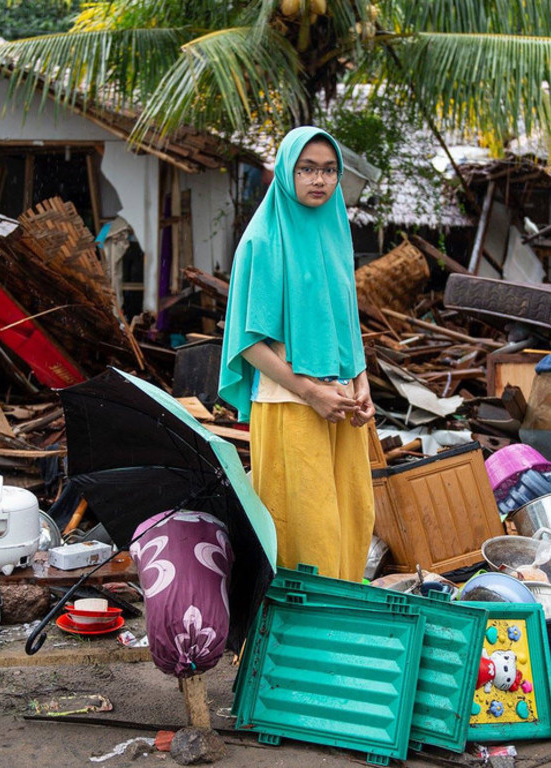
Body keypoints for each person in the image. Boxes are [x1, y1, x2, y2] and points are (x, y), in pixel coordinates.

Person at [218, 126, 375, 582]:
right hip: (291, 403)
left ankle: (339, 630)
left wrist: (361, 385)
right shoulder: (262, 240)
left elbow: (346, 318)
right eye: (306, 169)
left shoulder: (335, 230)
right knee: (308, 532)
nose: (319, 180)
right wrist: (311, 393)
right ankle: (297, 638)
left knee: (351, 519)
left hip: (342, 405)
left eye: (328, 170)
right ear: (287, 173)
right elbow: (247, 343)